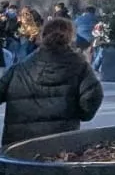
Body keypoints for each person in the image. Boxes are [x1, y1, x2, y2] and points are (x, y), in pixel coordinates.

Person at [0, 14, 103, 147]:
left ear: (43, 36)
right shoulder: (80, 67)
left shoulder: (20, 68)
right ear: (70, 38)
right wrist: (81, 114)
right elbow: (92, 97)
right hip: (61, 142)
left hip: (18, 144)